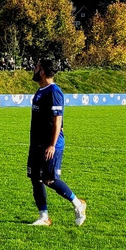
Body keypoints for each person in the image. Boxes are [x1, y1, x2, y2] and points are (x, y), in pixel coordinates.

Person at [27, 59, 87, 226]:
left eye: (37, 67)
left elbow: (57, 120)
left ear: (43, 72)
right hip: (37, 143)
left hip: (50, 144)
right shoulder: (40, 90)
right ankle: (44, 217)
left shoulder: (54, 91)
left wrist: (52, 145)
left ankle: (78, 204)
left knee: (49, 180)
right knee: (35, 179)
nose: (34, 69)